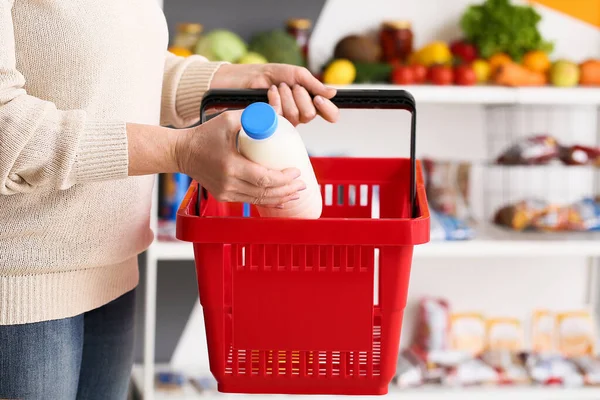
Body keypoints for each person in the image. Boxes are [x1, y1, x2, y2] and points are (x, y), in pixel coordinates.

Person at [0, 2, 339, 399]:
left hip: (114, 268)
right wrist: (182, 151)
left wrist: (236, 79)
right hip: (21, 289)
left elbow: (124, 64)